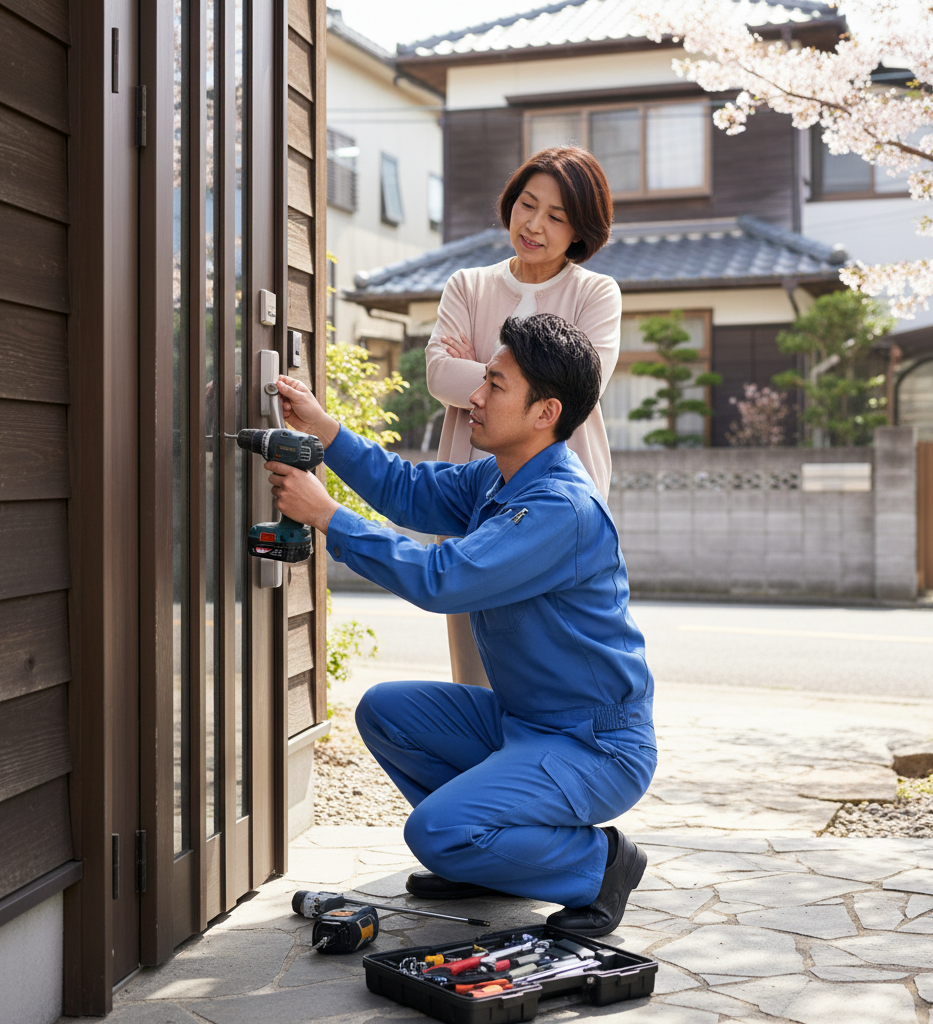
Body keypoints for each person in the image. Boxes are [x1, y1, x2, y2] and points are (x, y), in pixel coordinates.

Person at [267, 314, 655, 936]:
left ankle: (600, 866)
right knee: (386, 712)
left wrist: (329, 517)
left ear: (544, 412)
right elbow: (409, 489)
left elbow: (441, 579)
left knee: (434, 831)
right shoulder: (500, 476)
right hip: (524, 722)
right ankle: (495, 863)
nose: (475, 395)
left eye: (495, 385)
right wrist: (324, 430)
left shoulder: (560, 508)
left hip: (594, 746)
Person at [426, 146, 621, 689]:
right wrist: (524, 388)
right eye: (527, 205)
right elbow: (439, 375)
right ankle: (480, 767)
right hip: (470, 492)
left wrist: (481, 374)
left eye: (556, 216)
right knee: (473, 670)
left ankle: (541, 769)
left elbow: (584, 388)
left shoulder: (595, 293)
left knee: (553, 663)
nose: (534, 224)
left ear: (581, 228)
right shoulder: (469, 285)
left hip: (560, 498)